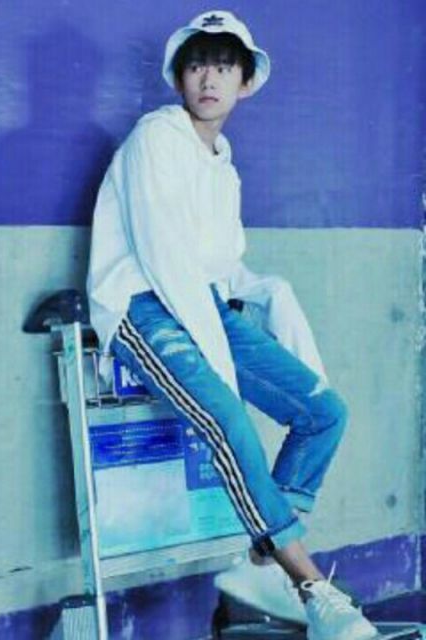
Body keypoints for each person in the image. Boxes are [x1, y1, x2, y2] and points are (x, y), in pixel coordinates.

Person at [86, 9, 379, 640]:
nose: (209, 78)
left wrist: (270, 292)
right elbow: (163, 256)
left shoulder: (223, 164)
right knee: (227, 418)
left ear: (245, 83)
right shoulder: (156, 137)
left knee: (324, 412)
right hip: (141, 304)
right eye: (197, 66)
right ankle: (312, 589)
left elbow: (217, 265)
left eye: (223, 67)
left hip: (204, 304)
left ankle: (261, 565)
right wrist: (218, 357)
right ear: (179, 78)